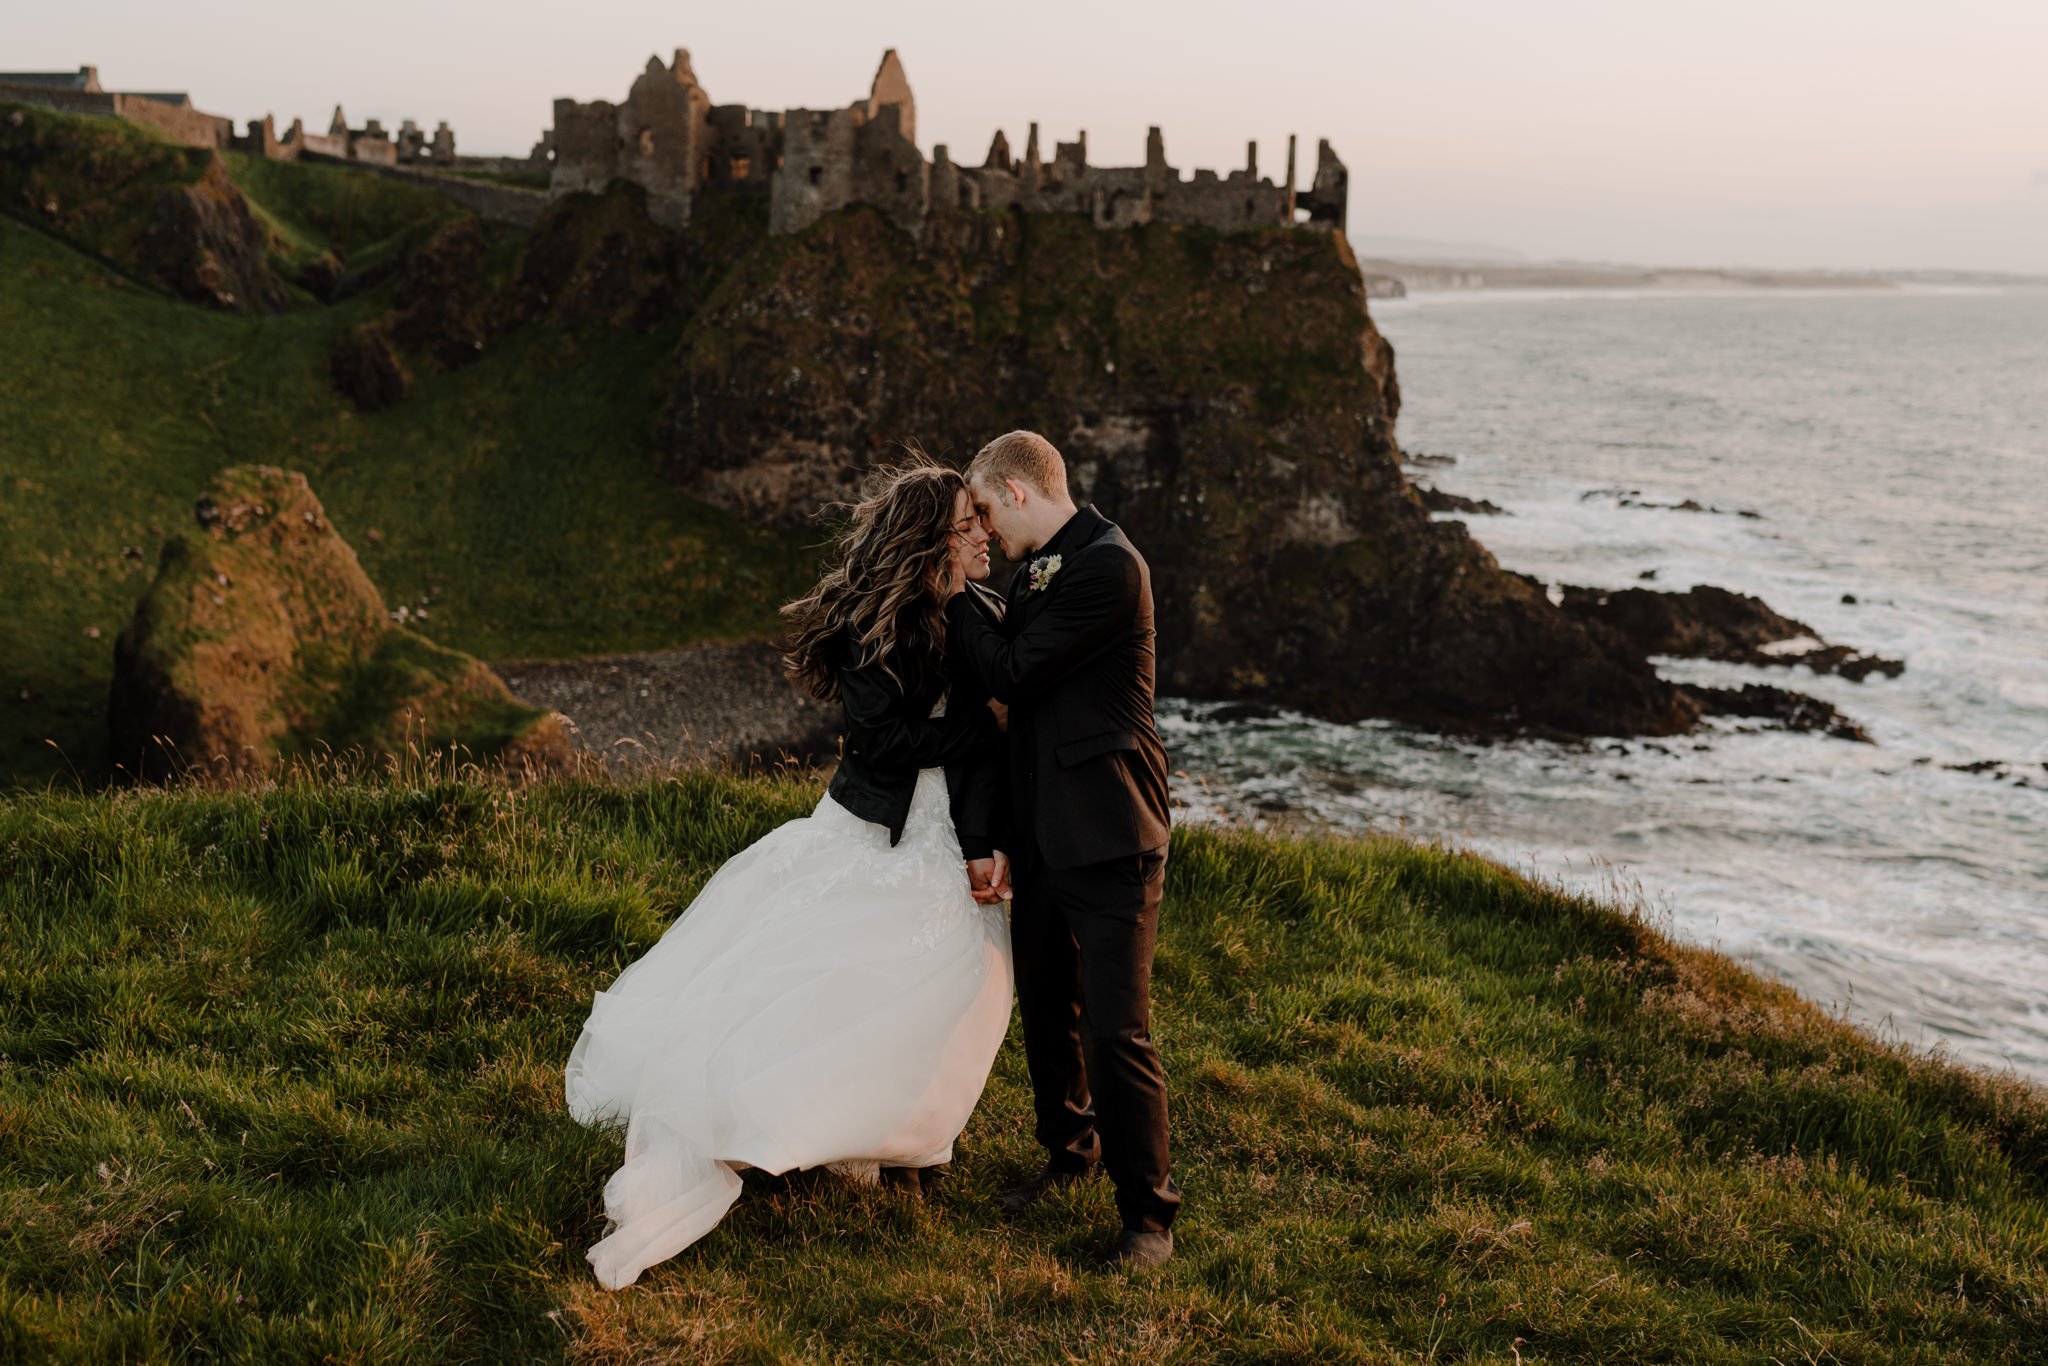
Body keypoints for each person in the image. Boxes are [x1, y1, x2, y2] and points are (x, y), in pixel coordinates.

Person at [563, 456, 1013, 1290]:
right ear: (929, 544)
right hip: (879, 824)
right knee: (854, 973)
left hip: (946, 826)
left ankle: (908, 1136)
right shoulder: (871, 631)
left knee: (964, 976)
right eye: (967, 524)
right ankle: (801, 1122)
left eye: (984, 521)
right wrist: (986, 733)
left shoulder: (977, 605)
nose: (985, 533)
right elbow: (885, 743)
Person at [945, 430, 1181, 1268]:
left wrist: (949, 599)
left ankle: (1148, 1217)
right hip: (1043, 829)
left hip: (1113, 830)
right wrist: (1001, 833)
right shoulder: (1041, 567)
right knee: (1048, 1009)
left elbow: (1012, 674)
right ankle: (1068, 1153)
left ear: (1015, 493)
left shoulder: (1111, 569)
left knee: (1116, 1031)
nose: (983, 530)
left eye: (982, 509)